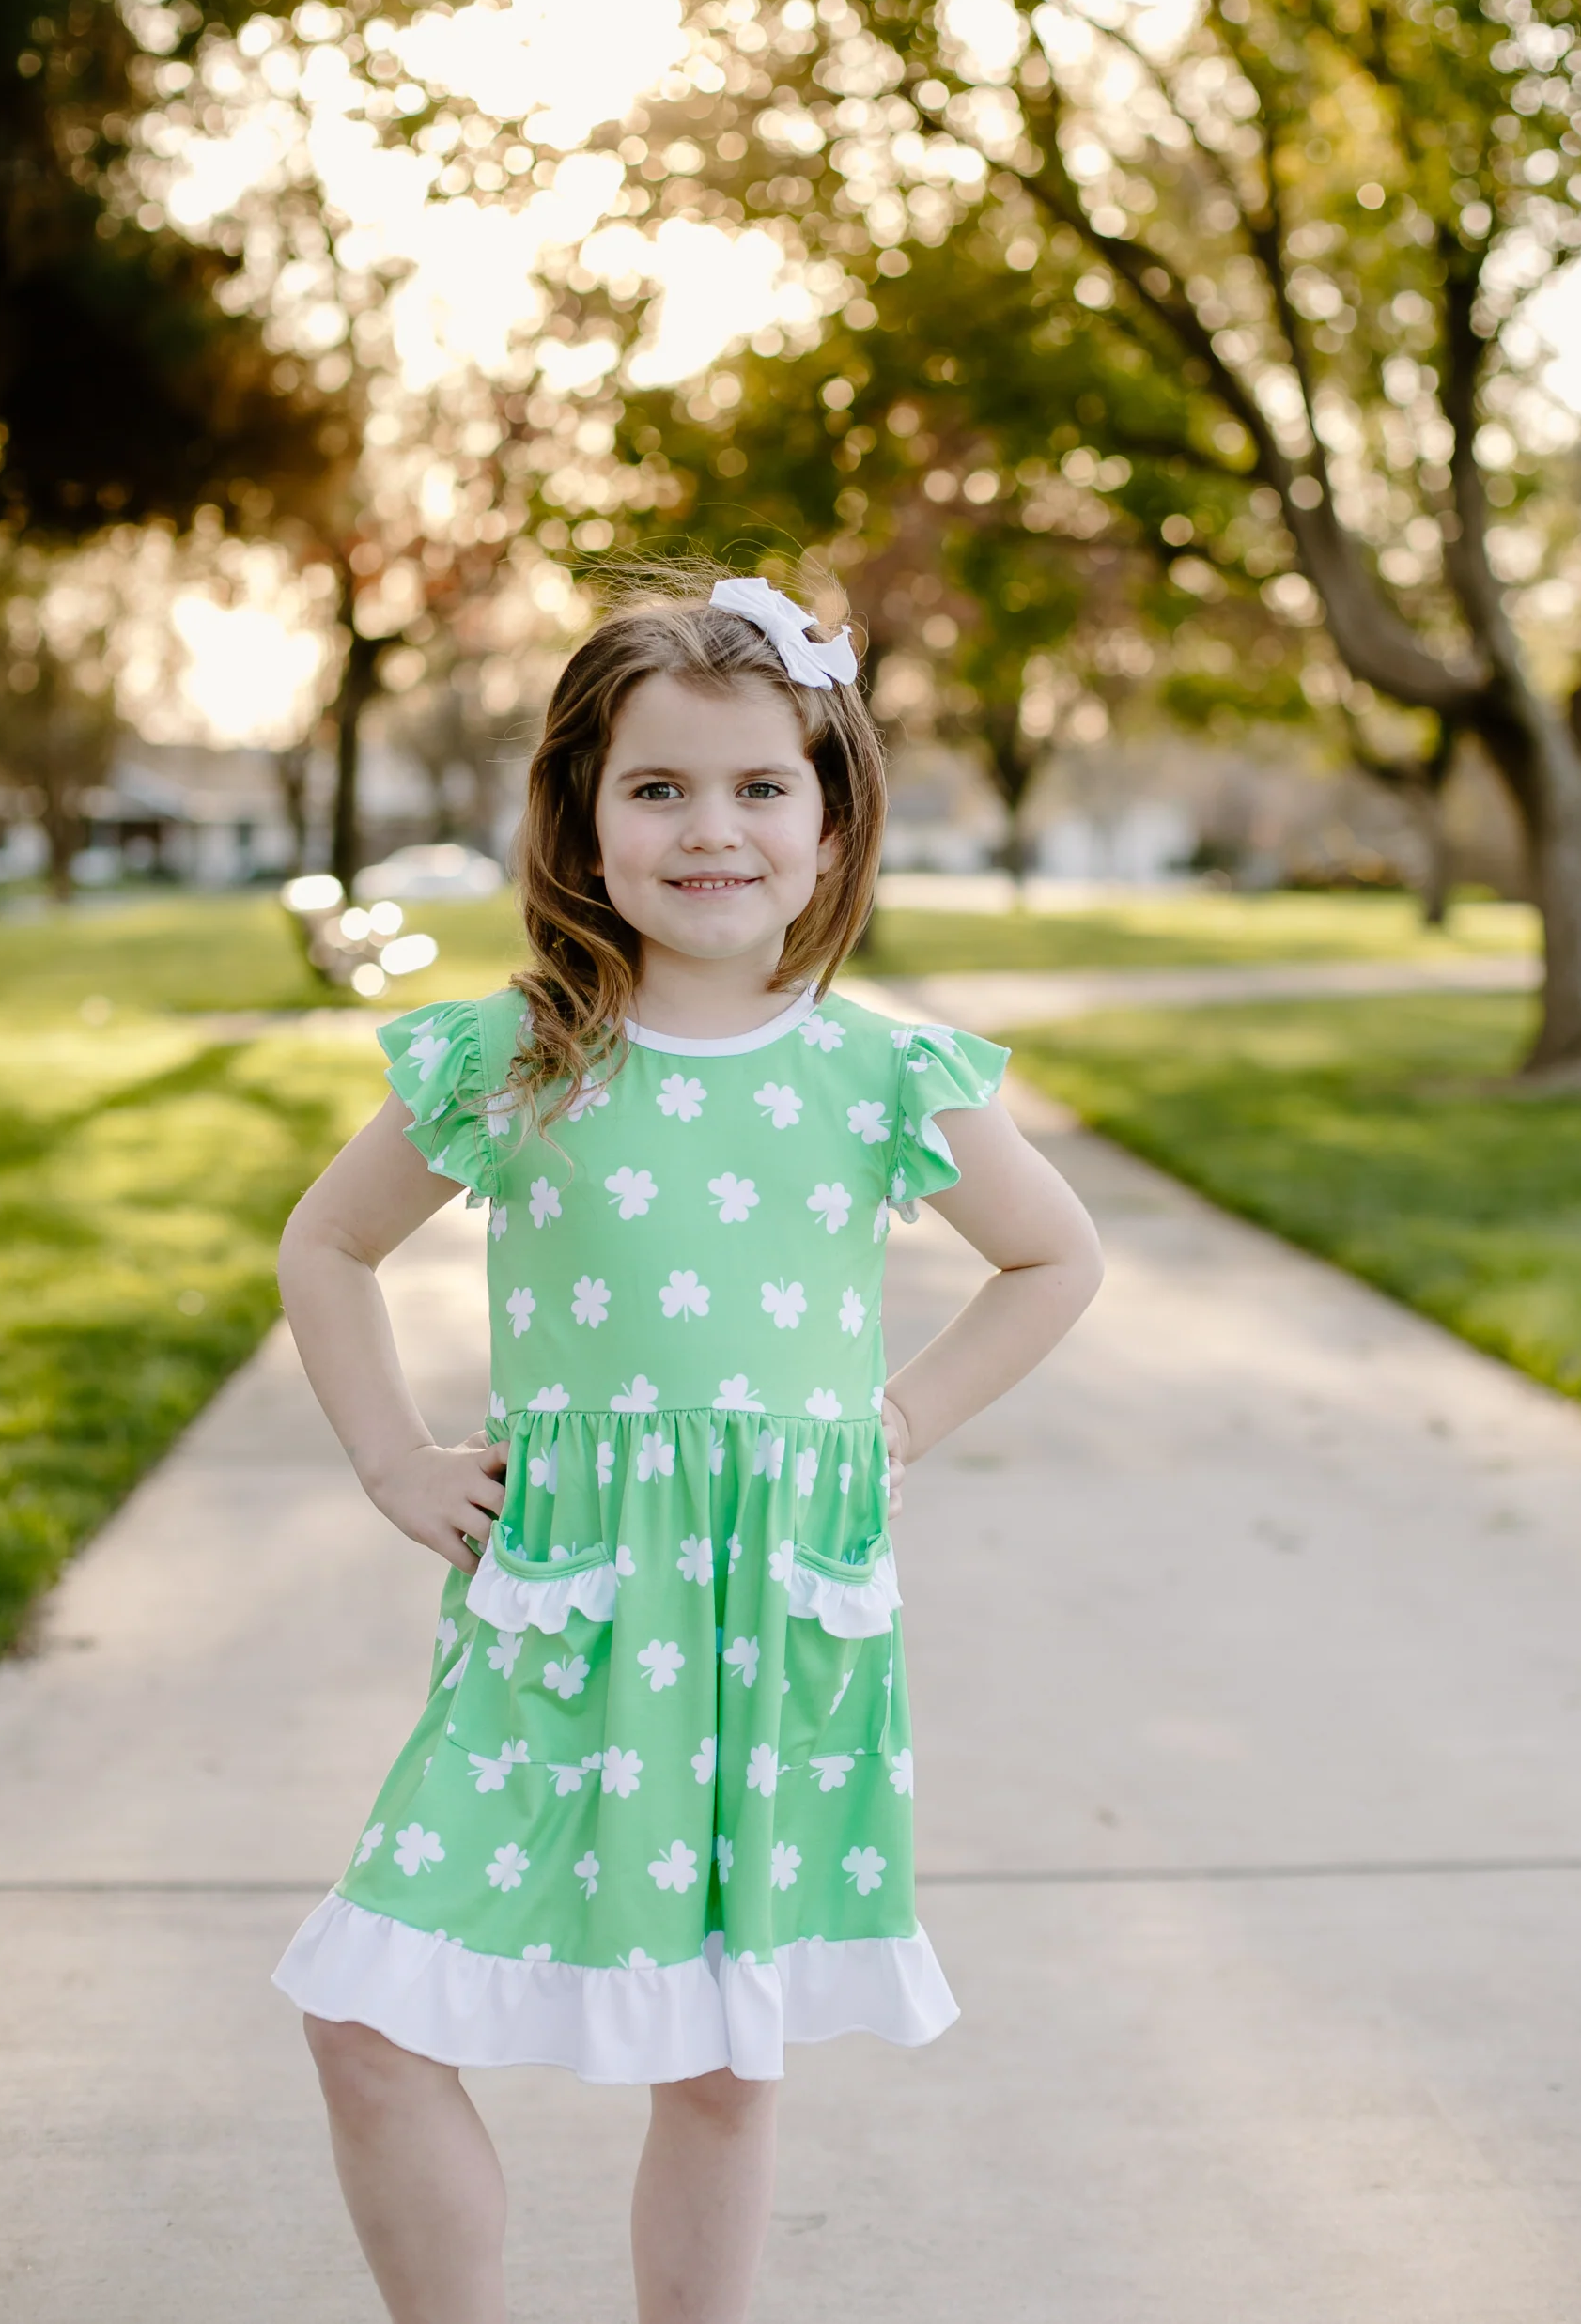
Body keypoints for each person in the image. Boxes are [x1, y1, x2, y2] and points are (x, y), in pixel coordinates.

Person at [272, 566, 1103, 2324]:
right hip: (557, 1610)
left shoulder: (886, 1080)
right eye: (657, 786)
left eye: (757, 787)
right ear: (583, 818)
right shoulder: (520, 1060)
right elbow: (326, 1246)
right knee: (363, 2018)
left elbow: (1055, 1257)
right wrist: (395, 1459)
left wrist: (892, 1423)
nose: (708, 828)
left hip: (771, 1635)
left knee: (726, 2066)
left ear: (830, 821)